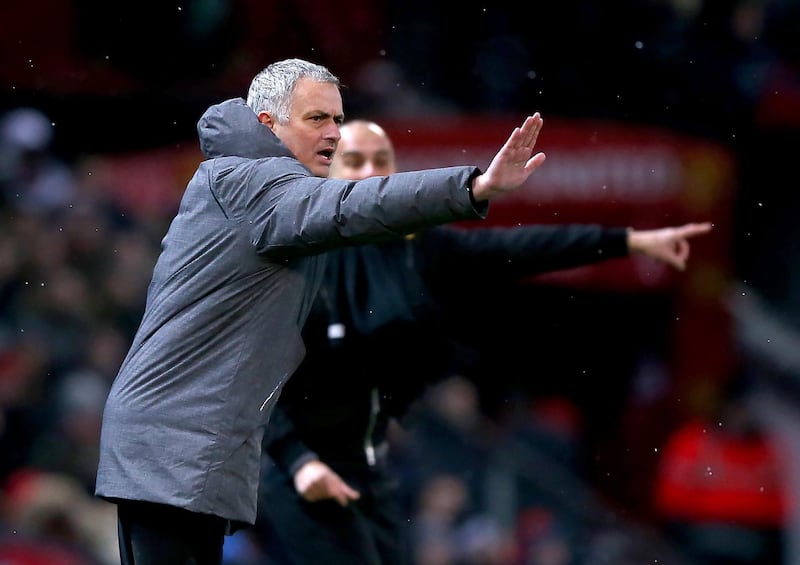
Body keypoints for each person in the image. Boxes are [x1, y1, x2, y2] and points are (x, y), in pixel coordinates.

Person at [94, 57, 547, 565]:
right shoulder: (254, 181)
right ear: (269, 125)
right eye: (317, 119)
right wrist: (473, 188)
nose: (335, 133)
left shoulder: (250, 184)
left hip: (187, 441)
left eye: (337, 118)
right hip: (176, 442)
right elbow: (352, 207)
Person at [255, 119, 713, 564]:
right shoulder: (298, 258)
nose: (370, 171)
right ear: (328, 172)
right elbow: (257, 379)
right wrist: (298, 461)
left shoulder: (422, 250)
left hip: (370, 466)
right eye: (353, 161)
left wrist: (627, 241)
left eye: (381, 161)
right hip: (293, 463)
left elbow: (521, 249)